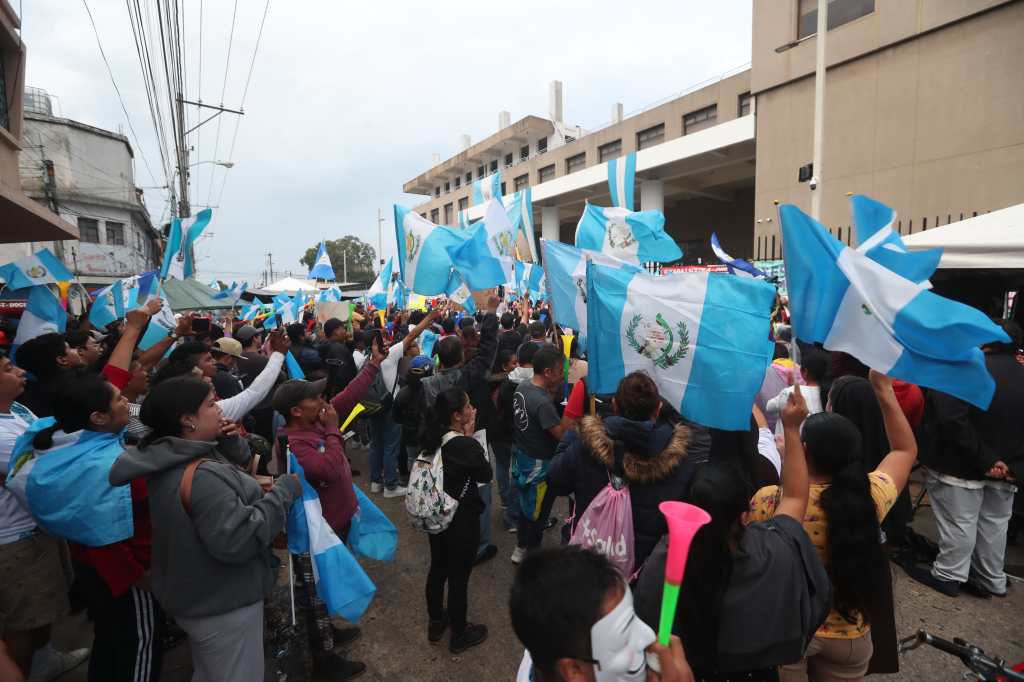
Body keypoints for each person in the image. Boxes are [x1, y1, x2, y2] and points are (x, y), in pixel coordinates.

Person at [109, 376, 301, 682]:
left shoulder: (172, 453)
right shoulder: (200, 476)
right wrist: (283, 493)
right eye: (211, 404)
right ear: (187, 421)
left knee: (212, 671)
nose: (220, 411)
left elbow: (235, 475)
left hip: (198, 595)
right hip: (223, 602)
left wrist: (227, 441)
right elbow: (239, 539)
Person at [634, 384, 830, 681]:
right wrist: (792, 428)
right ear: (744, 514)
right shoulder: (774, 550)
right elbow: (793, 498)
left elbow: (645, 620)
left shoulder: (665, 558)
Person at [748, 372, 917, 681]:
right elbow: (904, 451)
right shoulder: (871, 498)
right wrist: (883, 389)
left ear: (805, 450)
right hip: (850, 636)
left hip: (789, 634)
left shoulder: (770, 502)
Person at [910, 319, 1024, 599]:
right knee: (995, 524)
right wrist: (1009, 465)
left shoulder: (961, 370)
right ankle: (991, 577)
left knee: (960, 523)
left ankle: (950, 574)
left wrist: (987, 459)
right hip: (1007, 471)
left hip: (960, 466)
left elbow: (951, 420)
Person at [549, 372, 696, 572]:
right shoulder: (681, 462)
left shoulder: (585, 446)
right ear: (658, 409)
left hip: (587, 564)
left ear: (615, 406)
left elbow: (555, 481)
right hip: (641, 571)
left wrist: (574, 435)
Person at [0, 351, 88, 680]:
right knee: (25, 620)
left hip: (37, 529)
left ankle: (44, 661)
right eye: (9, 369)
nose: (21, 372)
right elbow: (47, 470)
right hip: (15, 539)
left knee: (43, 610)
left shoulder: (15, 409)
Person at [511, 546, 694, 682]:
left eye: (633, 618)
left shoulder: (546, 646)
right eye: (623, 640)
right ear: (573, 670)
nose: (648, 635)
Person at [421, 298, 500, 562]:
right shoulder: (470, 375)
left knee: (448, 488)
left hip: (441, 443)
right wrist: (490, 312)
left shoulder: (428, 384)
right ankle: (480, 546)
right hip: (470, 437)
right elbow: (489, 349)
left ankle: (446, 529)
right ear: (461, 356)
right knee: (481, 490)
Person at [420, 387, 492, 653]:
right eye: (468, 405)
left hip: (436, 515)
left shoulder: (431, 437)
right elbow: (486, 473)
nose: (472, 409)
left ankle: (436, 621)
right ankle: (459, 634)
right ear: (457, 415)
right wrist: (471, 436)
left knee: (438, 567)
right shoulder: (464, 445)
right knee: (459, 576)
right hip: (461, 519)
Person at [511, 344, 575, 563]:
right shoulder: (542, 403)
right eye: (559, 371)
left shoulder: (522, 387)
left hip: (523, 457)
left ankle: (520, 547)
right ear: (547, 372)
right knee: (539, 511)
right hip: (539, 465)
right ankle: (533, 556)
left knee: (526, 505)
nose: (562, 375)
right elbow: (560, 435)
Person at [765, 346, 830, 439]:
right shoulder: (829, 394)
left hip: (788, 447)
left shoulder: (791, 392)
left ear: (805, 372)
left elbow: (769, 406)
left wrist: (791, 386)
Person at [13, 333, 83, 417]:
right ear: (62, 360)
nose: (77, 349)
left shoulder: (32, 396)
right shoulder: (77, 392)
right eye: (71, 348)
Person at [392, 355, 432, 474]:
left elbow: (396, 416)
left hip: (408, 434)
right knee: (425, 461)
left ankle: (412, 481)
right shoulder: (431, 391)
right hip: (426, 436)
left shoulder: (402, 393)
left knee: (412, 458)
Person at [319, 318, 358, 400]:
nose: (345, 331)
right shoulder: (337, 349)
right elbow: (342, 376)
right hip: (343, 395)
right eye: (343, 328)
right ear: (336, 331)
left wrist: (350, 342)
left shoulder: (330, 345)